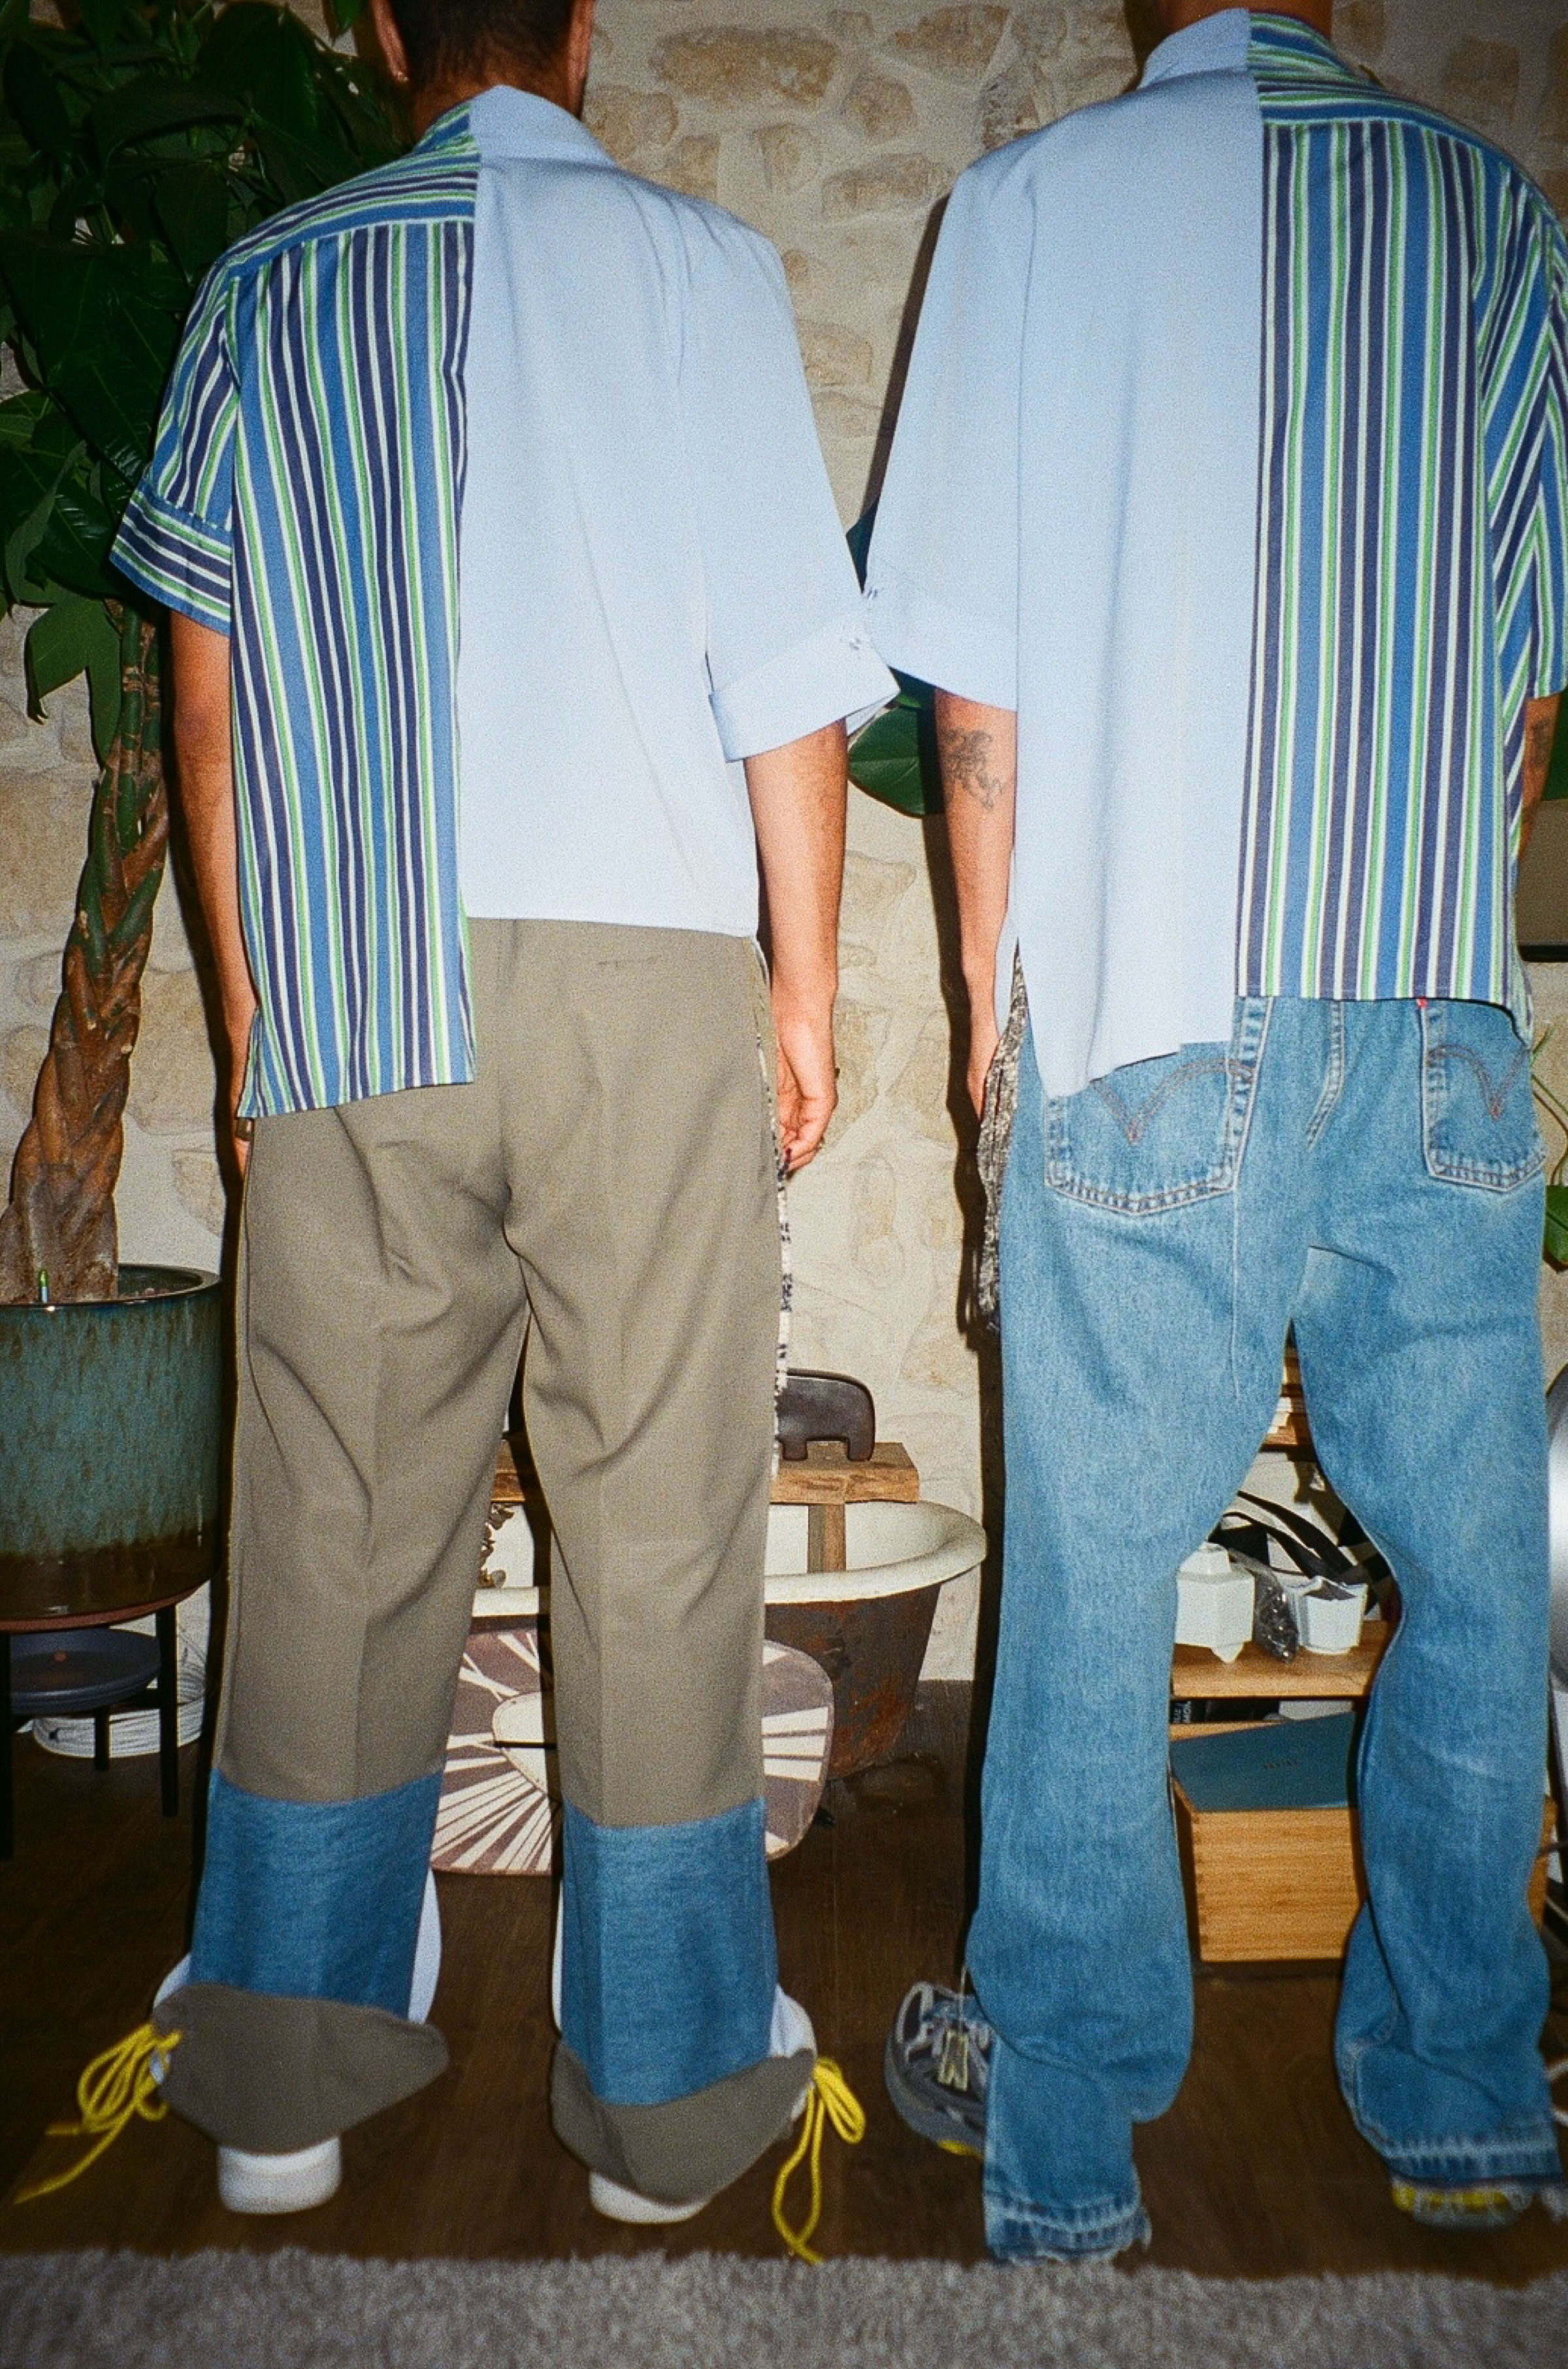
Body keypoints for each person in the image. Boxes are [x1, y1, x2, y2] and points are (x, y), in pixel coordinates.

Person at [110, 0, 892, 2220]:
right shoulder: (702, 265)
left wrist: (251, 1021)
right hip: (645, 972)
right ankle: (662, 2089)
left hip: (362, 964)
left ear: (384, 31)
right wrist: (806, 992)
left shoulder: (265, 279)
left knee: (336, 1513)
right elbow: (785, 675)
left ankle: (281, 2075)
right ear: (582, 32)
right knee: (657, 1520)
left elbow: (206, 700)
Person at [867, 0, 1568, 2261]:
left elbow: (975, 691)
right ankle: (1467, 2099)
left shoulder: (1032, 208)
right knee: (1482, 1576)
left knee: (1092, 1576)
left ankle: (1070, 2141)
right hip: (1437, 1000)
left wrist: (992, 1018)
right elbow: (1527, 687)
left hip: (1153, 988)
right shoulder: (1493, 218)